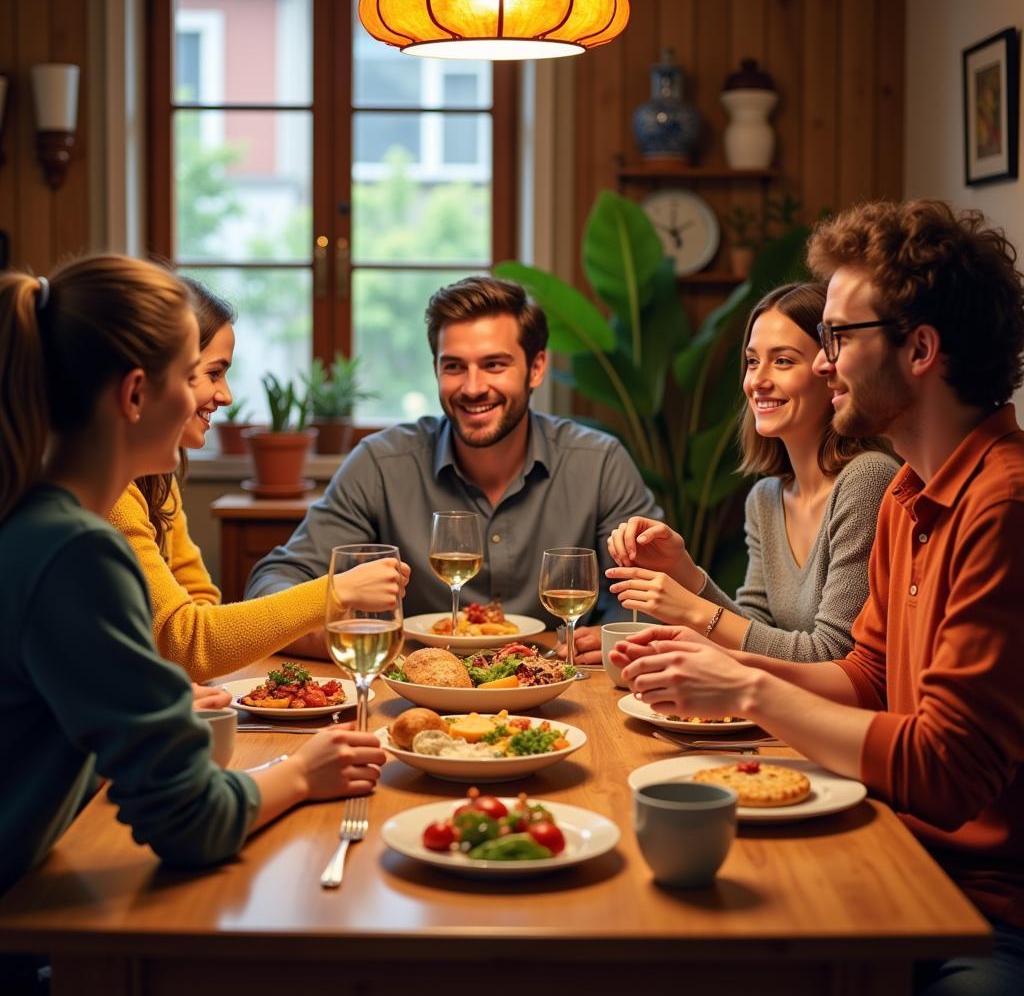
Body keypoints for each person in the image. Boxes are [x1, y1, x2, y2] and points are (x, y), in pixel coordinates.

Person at [611, 200, 1024, 994]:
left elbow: (947, 770)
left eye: (838, 337)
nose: (825, 361)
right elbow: (864, 676)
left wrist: (747, 683)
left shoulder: (1001, 506)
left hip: (984, 907)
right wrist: (706, 656)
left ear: (920, 350)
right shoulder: (912, 493)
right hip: (895, 847)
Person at [0, 255, 386, 897]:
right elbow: (190, 820)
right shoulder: (77, 554)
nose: (214, 397)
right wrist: (301, 773)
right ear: (134, 395)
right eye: (192, 374)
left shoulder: (38, 518)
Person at [245, 275, 661, 657]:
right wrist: (352, 639)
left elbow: (660, 597)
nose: (473, 387)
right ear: (436, 371)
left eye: (494, 365)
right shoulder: (380, 463)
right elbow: (275, 584)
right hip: (413, 692)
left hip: (558, 690)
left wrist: (616, 643)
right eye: (454, 367)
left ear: (536, 368)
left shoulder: (600, 462)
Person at [108, 278, 408, 681]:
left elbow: (199, 606)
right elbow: (189, 642)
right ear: (144, 380)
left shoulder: (154, 476)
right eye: (213, 373)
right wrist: (336, 591)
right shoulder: (107, 495)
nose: (226, 395)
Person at [606, 282, 898, 662]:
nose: (757, 381)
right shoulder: (766, 498)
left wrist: (692, 609)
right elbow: (755, 629)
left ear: (831, 371)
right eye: (752, 361)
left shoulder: (867, 479)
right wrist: (685, 572)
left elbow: (834, 657)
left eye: (783, 361)